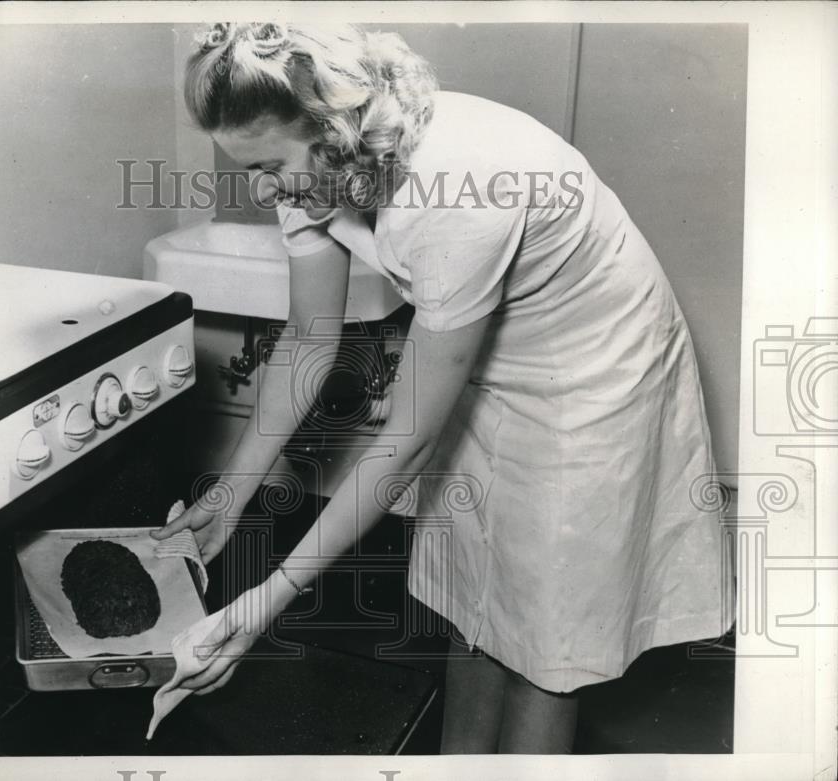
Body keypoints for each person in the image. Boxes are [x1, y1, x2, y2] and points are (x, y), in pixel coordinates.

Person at [151, 21, 734, 754]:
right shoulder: (312, 165)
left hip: (591, 376)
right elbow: (308, 337)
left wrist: (265, 600)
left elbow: (407, 434)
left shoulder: (456, 185)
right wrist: (229, 494)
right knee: (472, 602)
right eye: (247, 167)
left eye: (268, 164)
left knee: (546, 644)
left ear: (333, 130)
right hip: (477, 355)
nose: (261, 188)